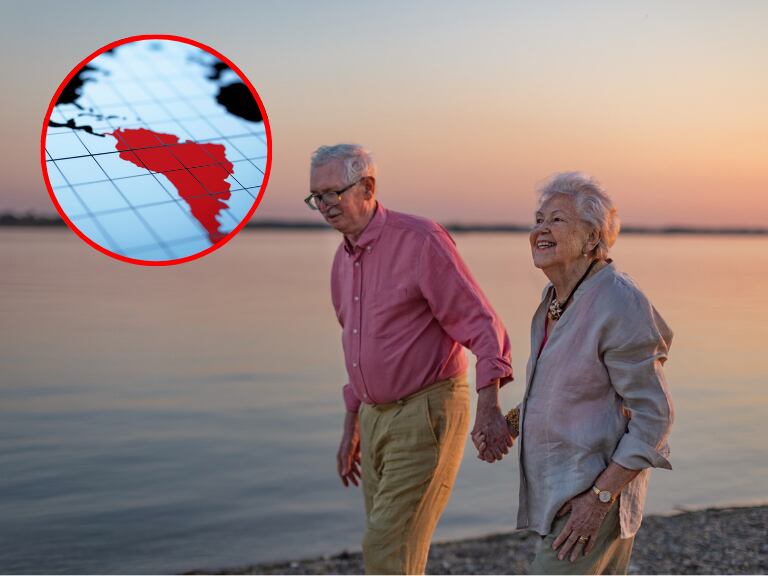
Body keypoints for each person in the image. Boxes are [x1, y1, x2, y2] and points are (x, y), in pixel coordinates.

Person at [306, 144, 514, 575]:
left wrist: (489, 405)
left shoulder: (421, 240)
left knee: (386, 546)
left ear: (367, 187)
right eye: (317, 197)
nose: (325, 206)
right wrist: (352, 426)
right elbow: (356, 346)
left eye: (333, 193)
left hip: (426, 410)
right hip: (373, 416)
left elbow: (481, 323)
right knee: (393, 549)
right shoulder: (342, 261)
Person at [502, 172, 673, 574]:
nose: (540, 229)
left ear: (593, 238)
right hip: (561, 492)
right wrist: (510, 422)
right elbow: (564, 390)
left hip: (592, 494)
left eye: (557, 220)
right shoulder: (556, 300)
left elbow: (655, 417)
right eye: (538, 219)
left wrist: (598, 500)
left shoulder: (617, 301)